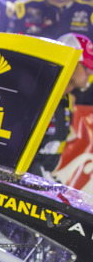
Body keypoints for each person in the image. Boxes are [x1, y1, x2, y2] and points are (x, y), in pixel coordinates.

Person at [29, 32, 93, 178]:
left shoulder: (66, 101)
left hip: (40, 179)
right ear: (69, 61)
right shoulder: (39, 96)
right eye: (86, 67)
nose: (90, 72)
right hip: (23, 182)